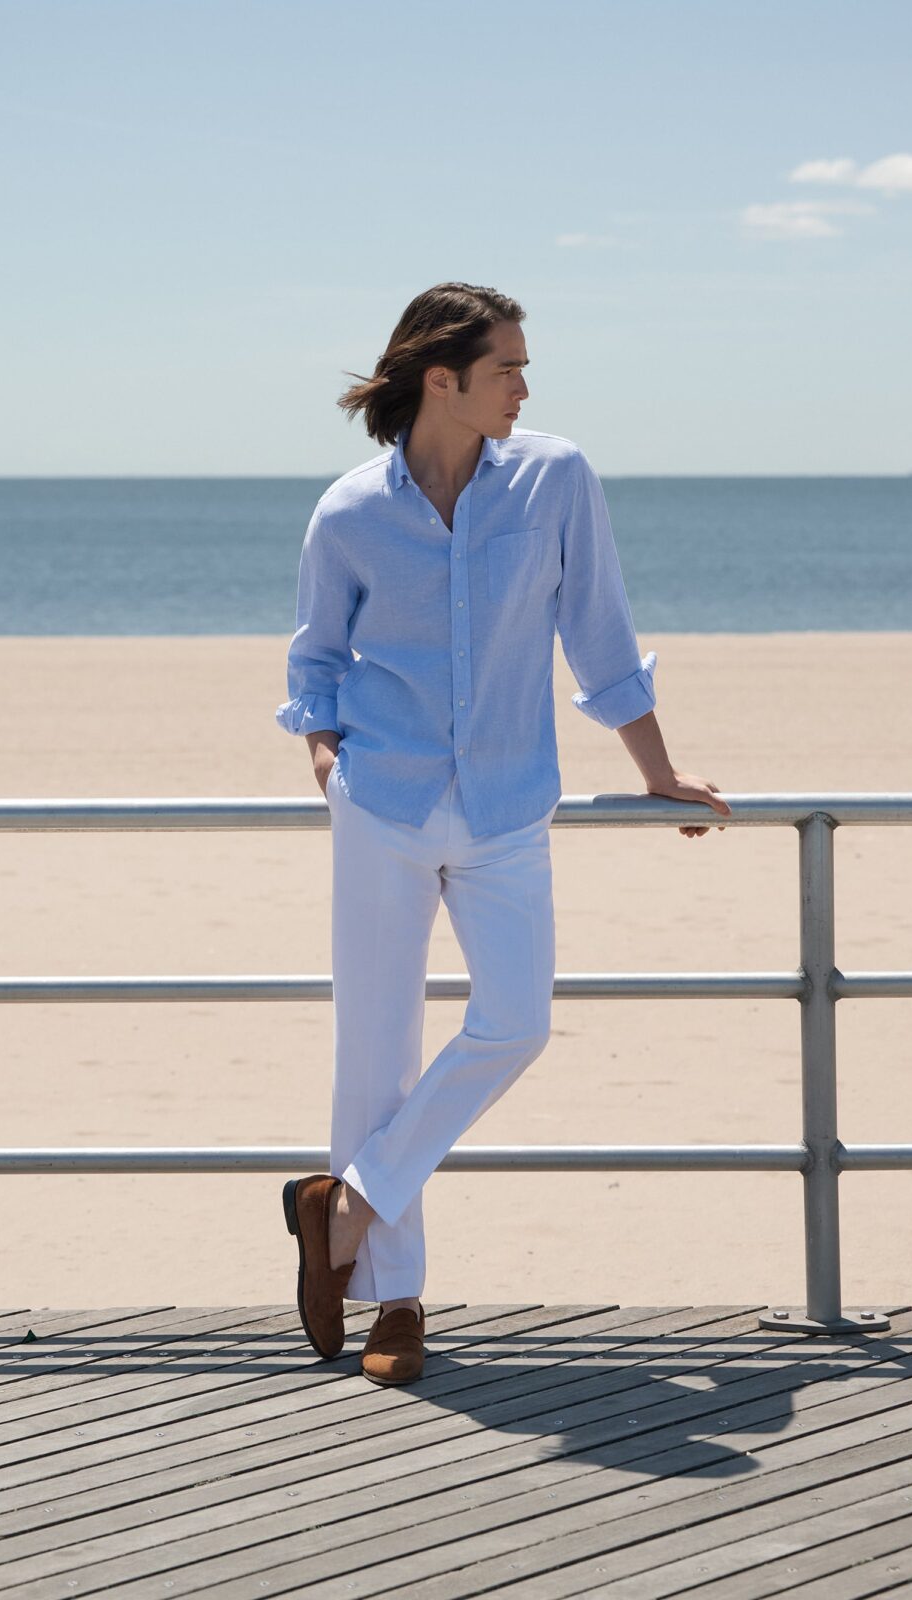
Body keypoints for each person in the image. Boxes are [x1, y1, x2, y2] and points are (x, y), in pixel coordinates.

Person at [276, 282, 730, 1386]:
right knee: (373, 1053)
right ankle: (398, 1303)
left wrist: (658, 771)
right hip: (382, 804)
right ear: (445, 379)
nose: (525, 388)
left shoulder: (556, 480)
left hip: (511, 803)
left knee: (517, 1019)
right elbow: (315, 660)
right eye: (507, 369)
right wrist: (328, 757)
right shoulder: (348, 512)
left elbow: (600, 629)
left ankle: (348, 1207)